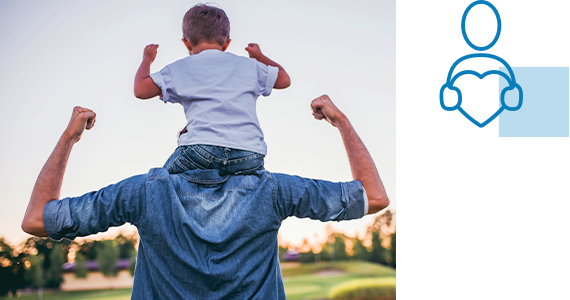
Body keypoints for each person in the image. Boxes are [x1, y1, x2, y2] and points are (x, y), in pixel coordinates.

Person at [21, 95, 389, 299]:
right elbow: (373, 196)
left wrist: (69, 137)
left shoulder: (145, 192)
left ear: (184, 140)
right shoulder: (271, 190)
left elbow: (37, 219)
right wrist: (341, 121)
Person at [134, 4, 291, 176]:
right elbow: (284, 79)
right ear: (227, 43)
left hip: (201, 150)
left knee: (161, 182)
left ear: (186, 43)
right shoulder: (249, 66)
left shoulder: (180, 68)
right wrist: (259, 57)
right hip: (249, 154)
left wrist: (147, 59)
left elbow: (140, 89)